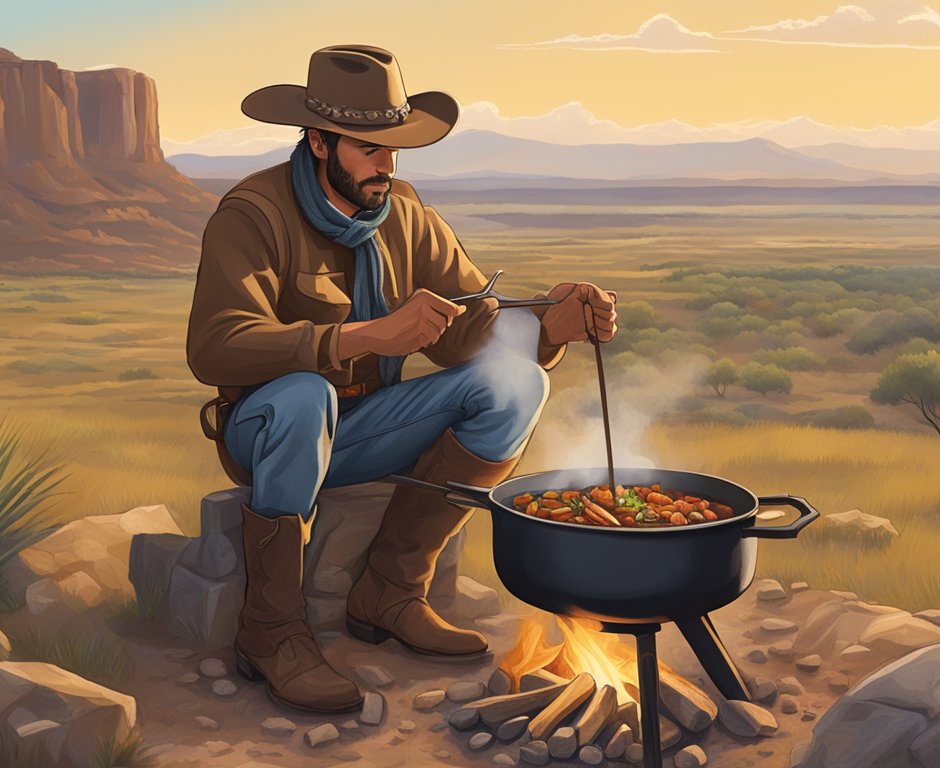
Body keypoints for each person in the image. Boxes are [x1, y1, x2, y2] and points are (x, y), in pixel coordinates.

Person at [186, 45, 617, 714]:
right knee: (305, 395)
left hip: (369, 425)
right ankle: (270, 631)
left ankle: (389, 590)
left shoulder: (405, 212)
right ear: (320, 141)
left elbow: (470, 329)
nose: (387, 164)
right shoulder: (254, 213)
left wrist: (552, 324)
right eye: (369, 148)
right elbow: (215, 347)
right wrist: (360, 337)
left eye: (394, 148)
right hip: (270, 432)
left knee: (515, 385)